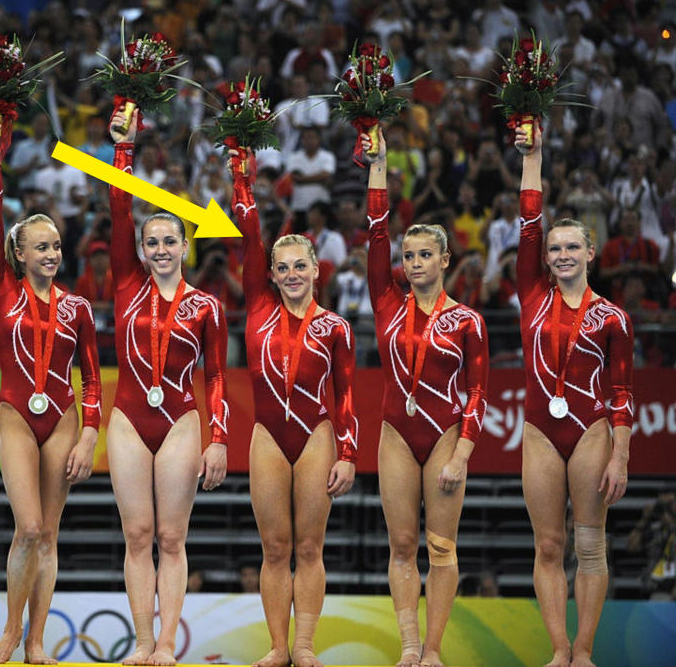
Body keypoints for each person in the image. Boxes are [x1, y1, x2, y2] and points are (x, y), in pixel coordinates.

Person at [0, 115, 103, 663]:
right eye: (41, 247)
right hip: (15, 413)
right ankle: (10, 628)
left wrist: (89, 436)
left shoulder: (78, 307)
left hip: (64, 418)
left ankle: (35, 641)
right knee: (27, 526)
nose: (52, 254)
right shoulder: (2, 291)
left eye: (56, 245)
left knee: (49, 534)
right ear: (19, 255)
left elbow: (93, 377)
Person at [363, 130, 489, 667]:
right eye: (409, 255)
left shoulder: (467, 320)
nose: (413, 263)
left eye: (424, 255)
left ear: (444, 259)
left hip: (444, 434)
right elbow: (375, 235)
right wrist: (380, 165)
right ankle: (409, 646)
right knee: (401, 546)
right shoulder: (387, 303)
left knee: (441, 548)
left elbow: (479, 391)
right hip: (395, 431)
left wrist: (462, 453)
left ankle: (434, 650)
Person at [109, 106, 229, 666]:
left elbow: (218, 377)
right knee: (137, 535)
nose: (159, 250)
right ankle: (138, 641)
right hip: (129, 419)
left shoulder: (206, 306)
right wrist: (123, 150)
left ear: (185, 247)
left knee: (172, 539)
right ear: (140, 250)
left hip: (181, 419)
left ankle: (165, 643)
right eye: (150, 242)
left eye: (169, 241)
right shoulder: (125, 286)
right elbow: (117, 206)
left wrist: (219, 438)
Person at [228, 146, 357, 667]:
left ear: (316, 269)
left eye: (299, 264)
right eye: (281, 267)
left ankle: (304, 645)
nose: (290, 273)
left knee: (309, 548)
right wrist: (243, 174)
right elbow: (249, 231)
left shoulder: (336, 327)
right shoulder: (258, 307)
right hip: (266, 437)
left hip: (317, 436)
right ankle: (278, 646)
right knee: (275, 550)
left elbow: (346, 395)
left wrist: (347, 453)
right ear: (272, 275)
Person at [515, 122, 633, 667]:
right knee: (547, 546)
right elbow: (529, 221)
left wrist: (621, 455)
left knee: (590, 546)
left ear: (590, 252)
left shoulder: (612, 316)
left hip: (590, 430)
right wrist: (532, 158)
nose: (561, 254)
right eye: (554, 248)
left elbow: (621, 389)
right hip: (541, 431)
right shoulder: (531, 294)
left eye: (572, 247)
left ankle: (584, 647)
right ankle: (558, 647)